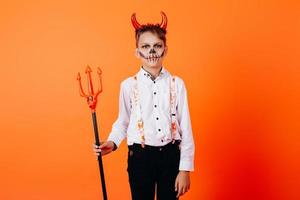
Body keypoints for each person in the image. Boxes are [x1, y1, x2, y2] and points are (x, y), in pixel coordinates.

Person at [93, 11, 195, 200]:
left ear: (165, 50)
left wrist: (185, 168)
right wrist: (112, 143)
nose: (152, 51)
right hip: (140, 158)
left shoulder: (177, 84)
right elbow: (123, 121)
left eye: (157, 46)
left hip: (170, 157)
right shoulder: (128, 85)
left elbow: (186, 128)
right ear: (137, 52)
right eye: (146, 46)